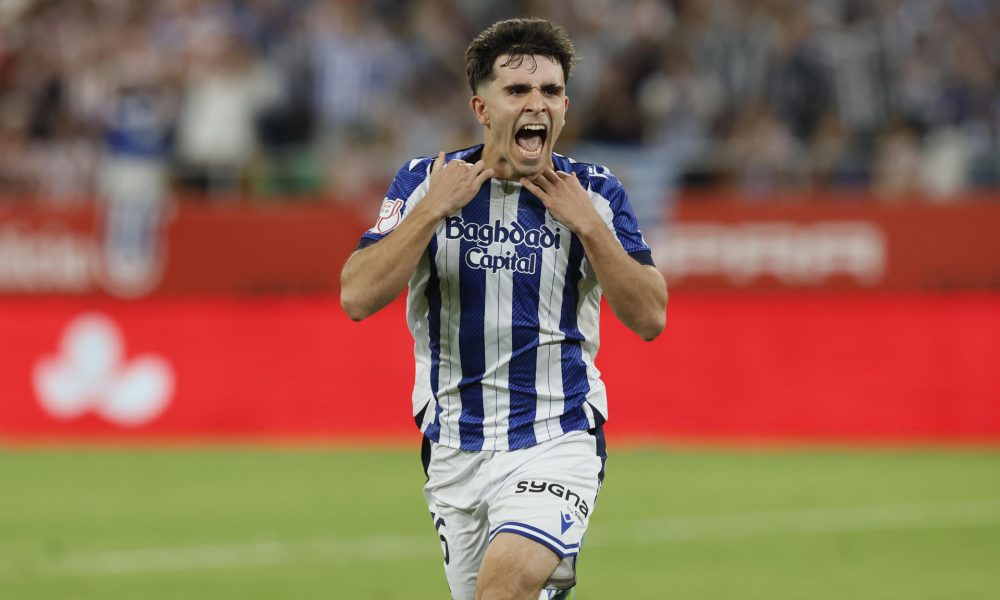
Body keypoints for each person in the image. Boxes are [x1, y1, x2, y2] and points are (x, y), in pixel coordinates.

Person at [340, 18, 667, 600]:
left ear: (565, 105)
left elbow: (650, 318)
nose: (536, 103)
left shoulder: (595, 191)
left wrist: (591, 228)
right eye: (517, 91)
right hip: (453, 449)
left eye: (550, 91)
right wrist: (431, 211)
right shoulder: (425, 181)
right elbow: (357, 296)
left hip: (556, 436)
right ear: (482, 107)